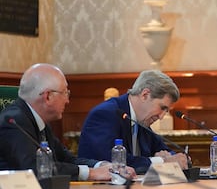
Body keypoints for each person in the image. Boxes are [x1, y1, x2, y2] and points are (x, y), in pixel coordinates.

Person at [0, 63, 136, 181]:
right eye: (65, 93)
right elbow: (34, 168)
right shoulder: (13, 121)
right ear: (48, 96)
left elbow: (67, 159)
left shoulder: (39, 122)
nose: (68, 100)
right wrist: (91, 173)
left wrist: (102, 166)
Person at [78, 69, 189, 174]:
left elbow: (165, 151)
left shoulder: (142, 119)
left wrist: (177, 158)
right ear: (145, 95)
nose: (161, 117)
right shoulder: (106, 114)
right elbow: (113, 163)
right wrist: (161, 161)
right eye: (162, 108)